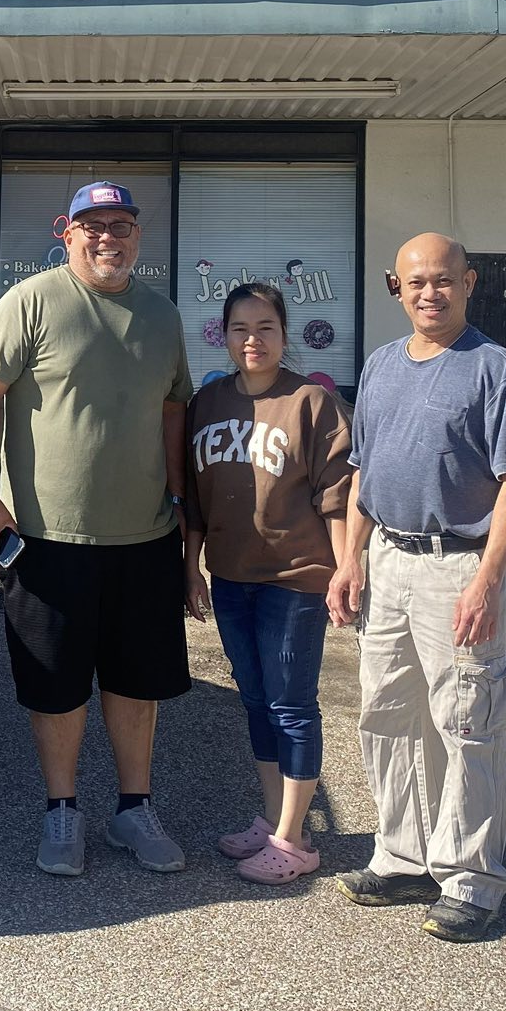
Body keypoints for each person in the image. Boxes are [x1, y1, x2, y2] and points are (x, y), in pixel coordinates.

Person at [0, 181, 194, 879]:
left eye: (121, 225)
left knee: (135, 682)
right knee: (56, 684)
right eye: (93, 226)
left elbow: (173, 411)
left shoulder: (161, 316)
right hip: (46, 537)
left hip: (145, 537)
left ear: (137, 237)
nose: (108, 239)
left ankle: (133, 809)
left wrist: (182, 504)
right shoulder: (31, 302)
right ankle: (62, 811)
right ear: (67, 232)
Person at [327, 234, 506, 943]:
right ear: (397, 286)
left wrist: (489, 578)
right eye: (416, 282)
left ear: (468, 282)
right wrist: (350, 558)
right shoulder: (382, 365)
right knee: (389, 715)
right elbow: (364, 472)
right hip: (390, 562)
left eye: (444, 281)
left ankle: (471, 879)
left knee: (467, 722)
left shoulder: (495, 368)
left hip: (461, 565)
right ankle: (401, 856)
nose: (431, 293)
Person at [184, 281, 354, 885]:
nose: (252, 340)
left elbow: (339, 497)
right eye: (240, 329)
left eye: (265, 329)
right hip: (230, 577)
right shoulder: (207, 404)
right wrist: (191, 567)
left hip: (294, 580)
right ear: (223, 335)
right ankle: (274, 818)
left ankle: (295, 840)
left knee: (292, 705)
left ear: (284, 335)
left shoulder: (312, 403)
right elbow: (196, 503)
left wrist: (345, 570)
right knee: (255, 701)